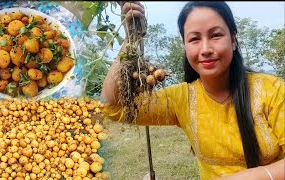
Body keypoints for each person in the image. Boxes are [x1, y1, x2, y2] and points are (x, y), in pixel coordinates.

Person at [101, 1, 284, 180]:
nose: (205, 49)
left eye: (215, 35)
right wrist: (132, 37)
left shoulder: (272, 90)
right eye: (194, 39)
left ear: (234, 40)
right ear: (184, 46)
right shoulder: (182, 99)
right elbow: (112, 106)